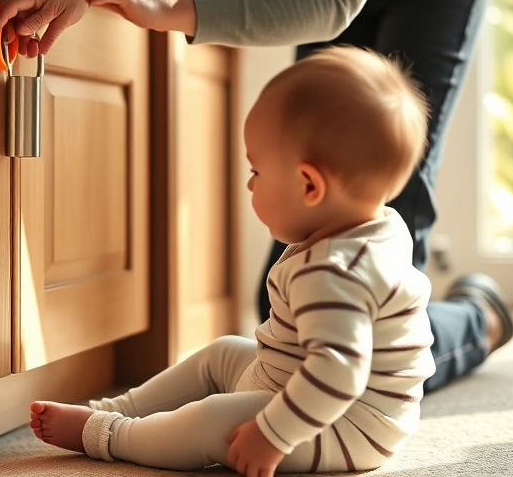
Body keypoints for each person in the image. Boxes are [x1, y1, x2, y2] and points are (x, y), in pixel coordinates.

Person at [0, 0, 513, 393]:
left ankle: (477, 320)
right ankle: (473, 314)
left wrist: (169, 10)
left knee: (377, 321)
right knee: (284, 313)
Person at [28, 47, 436, 476]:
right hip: (304, 387)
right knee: (222, 354)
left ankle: (110, 434)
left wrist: (272, 434)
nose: (248, 182)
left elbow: (337, 373)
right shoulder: (375, 224)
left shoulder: (333, 273)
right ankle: (114, 408)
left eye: (257, 171)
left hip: (344, 426)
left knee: (213, 420)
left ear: (309, 186)